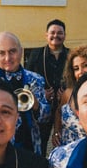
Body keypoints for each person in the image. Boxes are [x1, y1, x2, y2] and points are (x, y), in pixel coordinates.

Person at [0, 32, 50, 155]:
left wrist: (36, 105)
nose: (7, 58)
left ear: (21, 51)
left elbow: (45, 117)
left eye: (12, 51)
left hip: (29, 147)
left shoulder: (35, 78)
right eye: (1, 53)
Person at [27, 19, 69, 154]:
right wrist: (41, 94)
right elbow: (27, 80)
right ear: (46, 35)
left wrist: (67, 93)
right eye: (52, 32)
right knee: (40, 142)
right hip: (43, 106)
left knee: (62, 141)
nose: (56, 35)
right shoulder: (36, 54)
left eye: (60, 33)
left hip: (64, 105)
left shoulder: (71, 55)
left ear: (65, 36)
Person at [52, 45, 87, 147]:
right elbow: (59, 112)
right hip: (67, 151)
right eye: (76, 68)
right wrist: (56, 131)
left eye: (85, 65)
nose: (81, 71)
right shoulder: (68, 93)